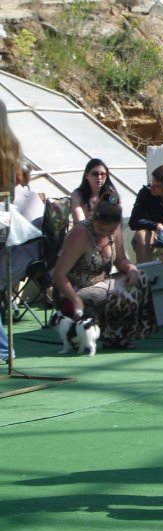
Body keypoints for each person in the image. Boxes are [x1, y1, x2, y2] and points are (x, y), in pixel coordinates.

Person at [53, 191, 158, 350]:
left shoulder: (115, 230)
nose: (104, 233)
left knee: (141, 276)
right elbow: (58, 274)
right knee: (115, 293)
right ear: (94, 218)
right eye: (100, 228)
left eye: (109, 231)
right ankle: (111, 336)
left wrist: (131, 268)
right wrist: (75, 300)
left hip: (101, 282)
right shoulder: (80, 233)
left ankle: (125, 335)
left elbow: (121, 260)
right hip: (74, 291)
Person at [0, 97, 22, 361]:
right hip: (5, 223)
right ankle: (4, 347)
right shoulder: (12, 148)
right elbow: (12, 194)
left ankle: (4, 347)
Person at [129, 165, 163, 263]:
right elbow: (134, 221)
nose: (152, 187)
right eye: (152, 183)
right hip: (152, 237)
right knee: (142, 234)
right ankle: (147, 273)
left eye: (156, 186)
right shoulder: (145, 193)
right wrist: (156, 226)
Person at [69, 158, 118, 223]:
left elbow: (115, 218)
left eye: (103, 174)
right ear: (86, 175)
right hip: (83, 231)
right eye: (95, 174)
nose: (99, 177)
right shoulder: (77, 195)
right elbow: (80, 222)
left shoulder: (110, 195)